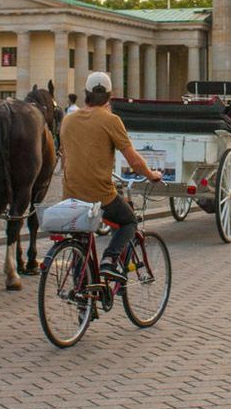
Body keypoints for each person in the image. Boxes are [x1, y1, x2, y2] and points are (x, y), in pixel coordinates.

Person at [58, 72, 161, 283]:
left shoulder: (67, 120)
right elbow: (134, 161)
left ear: (85, 94)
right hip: (100, 195)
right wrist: (151, 175)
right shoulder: (111, 120)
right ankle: (109, 260)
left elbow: (67, 158)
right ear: (109, 96)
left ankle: (83, 300)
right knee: (129, 221)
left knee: (82, 239)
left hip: (70, 196)